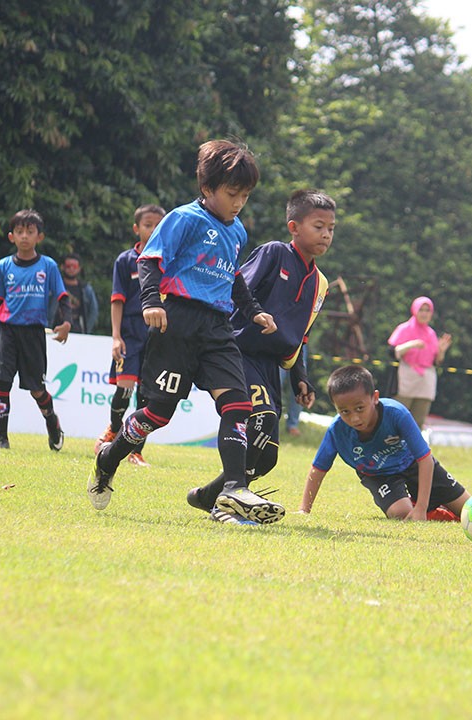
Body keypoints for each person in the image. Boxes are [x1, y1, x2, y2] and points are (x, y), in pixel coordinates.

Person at [86, 139, 281, 526]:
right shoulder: (184, 219)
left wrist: (255, 311)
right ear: (207, 189)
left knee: (238, 405)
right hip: (176, 322)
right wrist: (151, 301)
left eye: (245, 194)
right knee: (158, 414)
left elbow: (234, 280)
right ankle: (109, 456)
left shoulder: (238, 230)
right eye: (232, 193)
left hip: (217, 328)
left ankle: (232, 491)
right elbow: (150, 260)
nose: (239, 202)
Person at [186, 189, 336, 516]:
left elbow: (301, 335)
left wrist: (301, 378)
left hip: (273, 368)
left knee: (267, 456)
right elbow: (234, 291)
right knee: (260, 417)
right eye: (318, 225)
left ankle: (210, 496)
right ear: (294, 226)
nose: (326, 234)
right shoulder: (274, 254)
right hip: (240, 352)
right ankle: (229, 503)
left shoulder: (321, 284)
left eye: (331, 228)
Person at [298, 365, 468, 522]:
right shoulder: (337, 430)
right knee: (400, 512)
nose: (354, 418)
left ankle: (425, 504)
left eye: (359, 408)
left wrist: (421, 508)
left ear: (375, 398)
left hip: (411, 463)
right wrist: (304, 510)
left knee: (468, 509)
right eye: (344, 412)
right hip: (377, 474)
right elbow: (318, 469)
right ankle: (434, 511)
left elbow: (424, 459)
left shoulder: (396, 413)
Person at [0, 209, 71, 450]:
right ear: (11, 236)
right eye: (20, 231)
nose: (25, 236)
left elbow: (63, 297)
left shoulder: (48, 265)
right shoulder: (3, 267)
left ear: (39, 237)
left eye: (30, 232)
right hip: (8, 331)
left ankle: (52, 422)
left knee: (36, 389)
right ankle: (2, 439)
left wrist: (66, 323)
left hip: (33, 333)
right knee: (2, 383)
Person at [94, 204, 167, 468]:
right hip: (130, 333)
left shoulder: (170, 260)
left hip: (157, 334)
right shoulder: (125, 260)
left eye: (159, 224)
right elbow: (117, 301)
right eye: (149, 225)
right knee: (124, 389)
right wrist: (116, 336)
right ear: (137, 229)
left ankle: (136, 451)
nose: (154, 229)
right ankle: (113, 429)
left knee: (148, 395)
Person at [387, 296, 453, 429]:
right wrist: (411, 345)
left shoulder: (431, 333)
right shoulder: (404, 329)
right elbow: (392, 351)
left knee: (418, 422)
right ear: (414, 310)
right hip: (406, 379)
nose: (424, 313)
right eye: (421, 310)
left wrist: (441, 351)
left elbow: (436, 361)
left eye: (427, 310)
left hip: (425, 381)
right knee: (398, 418)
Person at [52, 253, 99, 334]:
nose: (71, 269)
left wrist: (86, 330)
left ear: (79, 268)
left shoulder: (86, 289)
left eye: (74, 266)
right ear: (62, 267)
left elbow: (93, 311)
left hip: (78, 332)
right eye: (68, 266)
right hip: (55, 329)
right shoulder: (55, 287)